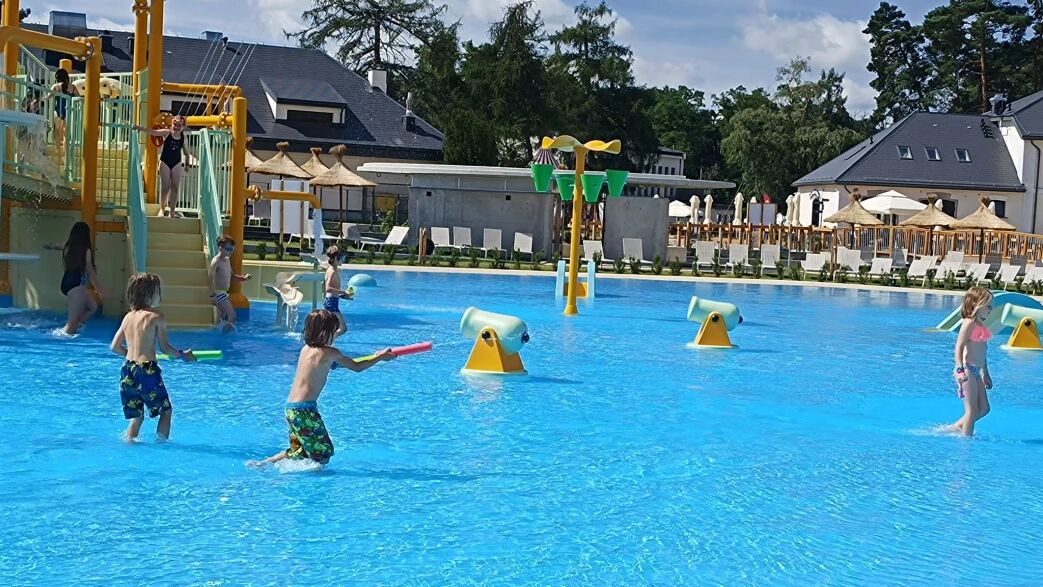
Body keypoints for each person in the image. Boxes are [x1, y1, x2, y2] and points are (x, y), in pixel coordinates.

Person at [248, 310, 393, 467]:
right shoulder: (330, 353)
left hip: (291, 409)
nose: (336, 334)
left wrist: (335, 312)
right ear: (326, 332)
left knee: (299, 451)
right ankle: (311, 479)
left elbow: (341, 331)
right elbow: (357, 367)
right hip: (304, 411)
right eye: (333, 331)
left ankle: (263, 464)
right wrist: (379, 357)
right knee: (323, 454)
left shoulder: (306, 349)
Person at [109, 273, 196, 441]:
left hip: (127, 370)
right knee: (166, 411)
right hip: (147, 371)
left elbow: (114, 347)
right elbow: (165, 348)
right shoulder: (156, 317)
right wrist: (182, 355)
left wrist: (133, 356)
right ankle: (161, 446)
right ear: (151, 294)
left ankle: (129, 443)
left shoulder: (128, 317)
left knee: (137, 416)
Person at [44, 221, 107, 334]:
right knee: (72, 322)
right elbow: (90, 273)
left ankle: (76, 326)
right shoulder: (86, 251)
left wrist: (49, 245)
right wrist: (100, 290)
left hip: (67, 283)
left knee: (92, 307)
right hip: (76, 285)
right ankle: (63, 336)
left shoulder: (68, 246)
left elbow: (57, 245)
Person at [950, 287, 994, 437]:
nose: (991, 310)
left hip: (976, 371)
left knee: (984, 409)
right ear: (977, 304)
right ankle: (966, 442)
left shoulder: (980, 325)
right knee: (972, 410)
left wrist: (985, 373)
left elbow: (983, 352)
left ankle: (955, 428)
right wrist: (960, 369)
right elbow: (959, 346)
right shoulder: (969, 322)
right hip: (967, 370)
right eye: (988, 306)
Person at [132, 115, 190, 218]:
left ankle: (172, 211)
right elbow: (153, 132)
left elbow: (186, 152)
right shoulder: (167, 133)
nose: (176, 127)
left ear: (183, 127)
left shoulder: (183, 138)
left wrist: (187, 164)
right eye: (175, 125)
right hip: (165, 162)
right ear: (172, 124)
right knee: (165, 187)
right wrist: (141, 128)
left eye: (179, 126)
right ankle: (162, 209)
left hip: (176, 162)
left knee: (175, 187)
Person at [208, 234, 251, 333]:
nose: (230, 252)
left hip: (224, 293)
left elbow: (231, 274)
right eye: (228, 249)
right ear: (220, 248)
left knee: (221, 318)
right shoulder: (216, 261)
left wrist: (242, 278)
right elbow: (210, 278)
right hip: (218, 293)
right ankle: (225, 337)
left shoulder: (227, 260)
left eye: (232, 249)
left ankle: (216, 335)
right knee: (232, 316)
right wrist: (212, 295)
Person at [323, 245, 354, 338]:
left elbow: (332, 291)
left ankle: (326, 340)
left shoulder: (333, 270)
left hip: (331, 301)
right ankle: (327, 340)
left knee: (332, 327)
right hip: (331, 302)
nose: (343, 260)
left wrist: (343, 296)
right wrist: (343, 292)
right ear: (336, 258)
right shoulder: (332, 271)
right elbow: (328, 288)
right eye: (342, 257)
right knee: (343, 328)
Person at [50, 68, 79, 160]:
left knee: (57, 131)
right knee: (66, 134)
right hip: (69, 110)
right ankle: (65, 153)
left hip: (58, 110)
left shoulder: (56, 86)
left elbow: (49, 96)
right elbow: (78, 98)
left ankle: (58, 150)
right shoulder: (73, 87)